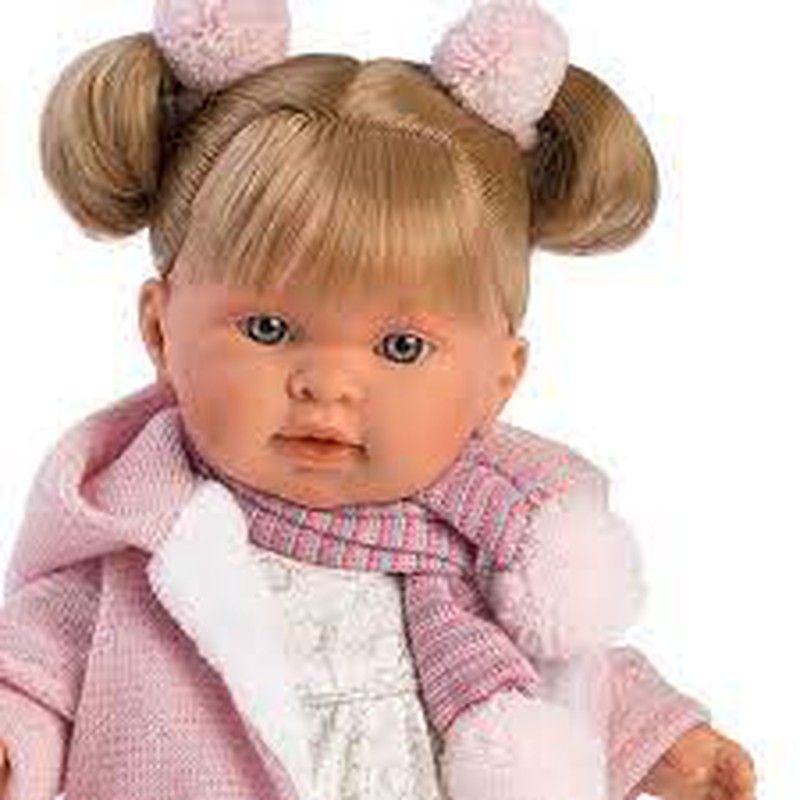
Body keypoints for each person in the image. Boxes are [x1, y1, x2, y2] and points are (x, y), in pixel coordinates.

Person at [0, 1, 757, 799]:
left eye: (401, 347)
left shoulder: (502, 558)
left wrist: (662, 740)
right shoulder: (144, 557)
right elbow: (36, 667)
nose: (326, 384)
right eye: (267, 328)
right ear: (160, 331)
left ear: (499, 378)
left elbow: (579, 681)